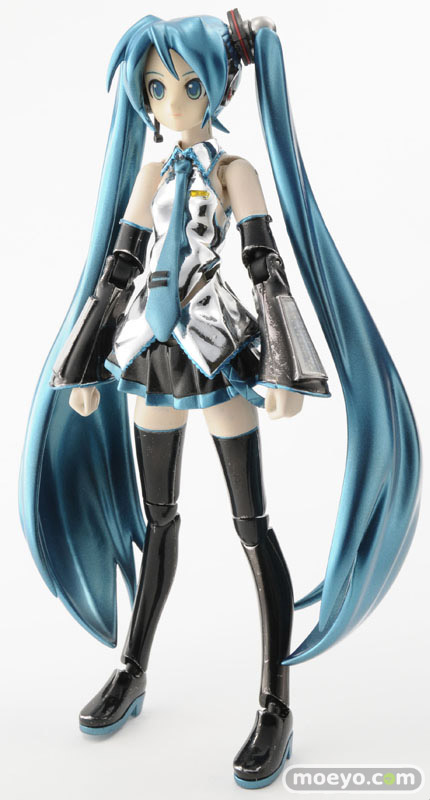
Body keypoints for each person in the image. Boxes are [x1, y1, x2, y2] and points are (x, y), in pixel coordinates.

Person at [19, 11, 421, 790]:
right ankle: (132, 666)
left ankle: (276, 702)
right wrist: (83, 368)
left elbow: (266, 266)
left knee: (252, 527)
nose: (171, 104)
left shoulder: (235, 171)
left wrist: (285, 370)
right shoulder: (150, 176)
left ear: (219, 87)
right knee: (158, 522)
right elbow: (118, 270)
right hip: (149, 352)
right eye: (155, 89)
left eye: (188, 87)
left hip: (216, 347)